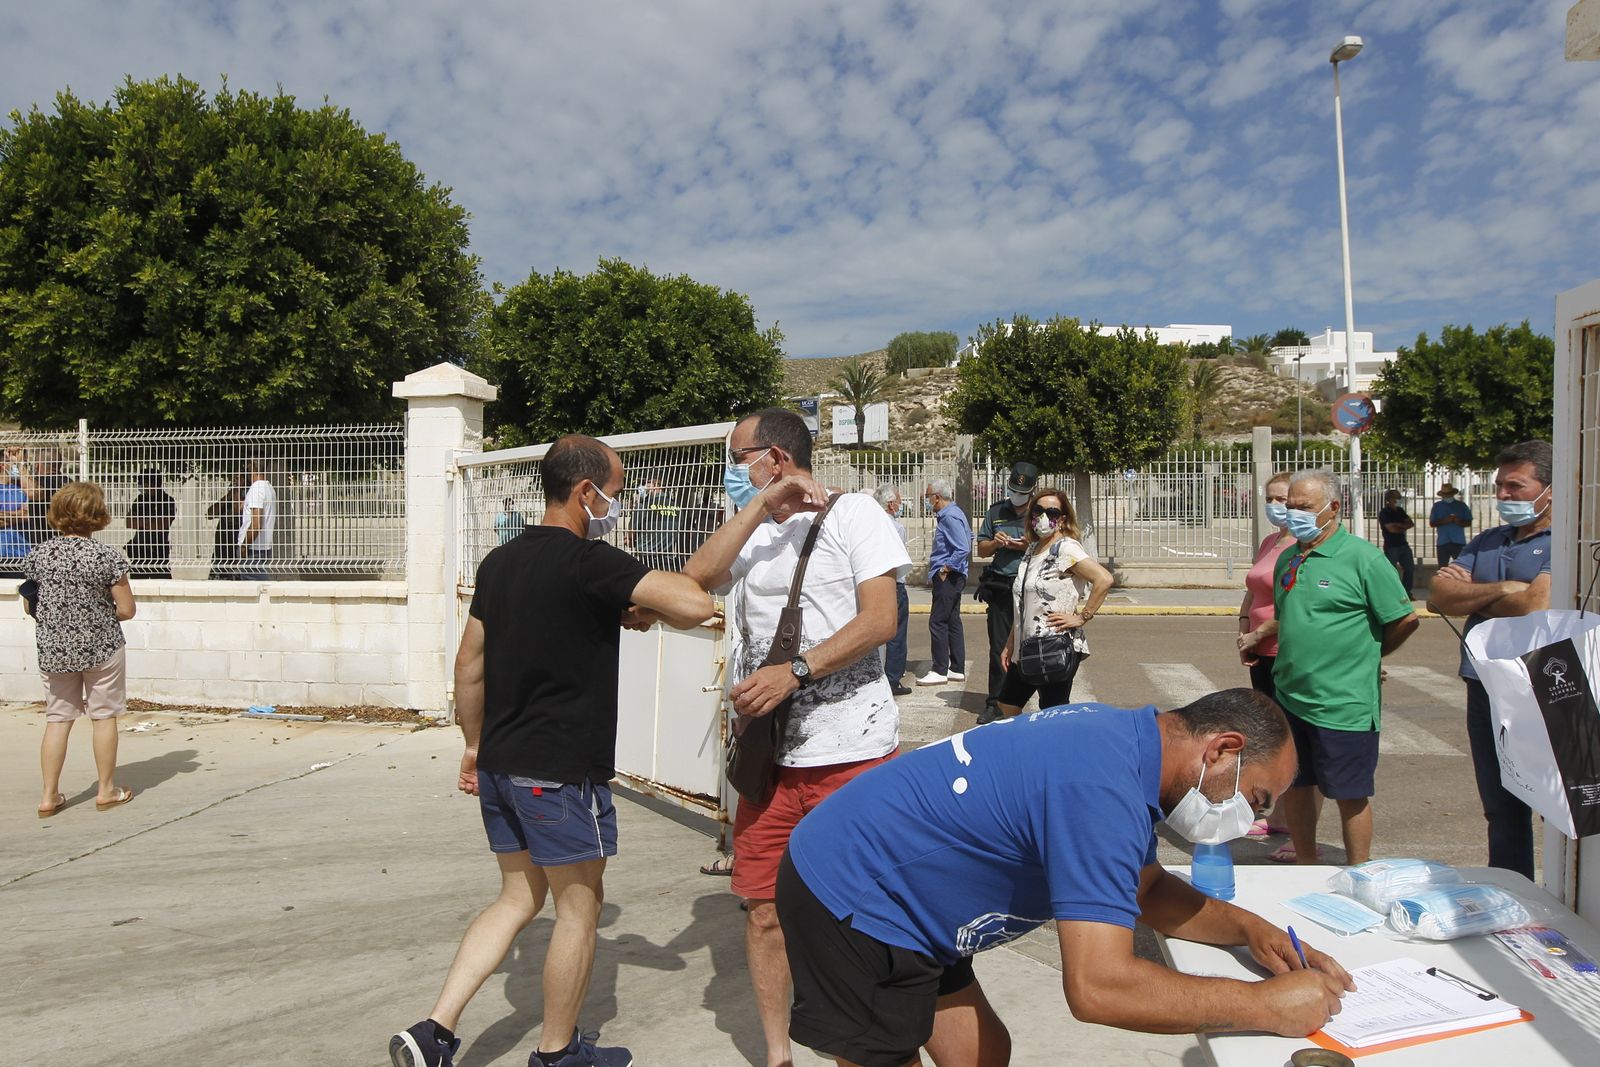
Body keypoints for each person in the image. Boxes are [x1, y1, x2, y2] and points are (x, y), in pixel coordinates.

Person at [777, 689, 1354, 1067]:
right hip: (854, 897)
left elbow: (1144, 888)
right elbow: (1100, 988)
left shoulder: (1126, 739)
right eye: (1254, 798)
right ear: (1223, 748)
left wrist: (1250, 930)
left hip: (914, 887)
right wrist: (1265, 1006)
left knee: (983, 1054)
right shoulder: (1099, 792)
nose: (1248, 819)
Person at [390, 435, 717, 1067]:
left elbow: (469, 664)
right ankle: (557, 1052)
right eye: (616, 495)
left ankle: (435, 1030)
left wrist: (472, 745)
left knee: (517, 898)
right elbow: (697, 604)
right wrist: (649, 593)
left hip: (501, 764)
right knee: (580, 906)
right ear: (585, 492)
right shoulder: (589, 561)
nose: (618, 508)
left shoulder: (498, 563)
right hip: (560, 772)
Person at [676, 407, 907, 1067]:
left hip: (851, 755)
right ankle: (778, 1053)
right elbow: (697, 576)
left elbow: (882, 618)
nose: (730, 469)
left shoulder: (857, 514)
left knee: (855, 916)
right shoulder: (755, 530)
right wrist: (760, 507)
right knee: (763, 910)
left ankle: (856, 1049)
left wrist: (795, 671)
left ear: (774, 456)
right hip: (769, 759)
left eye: (737, 455)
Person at [1240, 469, 1418, 867]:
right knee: (1298, 786)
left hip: (1344, 701)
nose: (1292, 514)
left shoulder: (1364, 558)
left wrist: (1366, 657)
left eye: (1303, 507)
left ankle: (1359, 872)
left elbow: (1403, 619)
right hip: (1290, 695)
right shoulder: (1288, 557)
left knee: (1349, 793)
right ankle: (1306, 866)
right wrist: (1254, 636)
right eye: (1290, 506)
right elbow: (1290, 616)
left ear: (1332, 508)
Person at [1426, 440, 1552, 880]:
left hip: (1543, 687)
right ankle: (1513, 888)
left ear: (1550, 490)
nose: (1502, 496)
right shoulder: (1488, 540)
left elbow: (1536, 603)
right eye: (1499, 486)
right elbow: (1439, 597)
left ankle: (1564, 899)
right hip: (1484, 685)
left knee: (1557, 804)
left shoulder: (1565, 542)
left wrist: (1475, 598)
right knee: (1501, 806)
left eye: (1515, 486)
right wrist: (1502, 590)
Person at [25, 481, 138, 817]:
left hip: (54, 649)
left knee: (58, 719)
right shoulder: (106, 557)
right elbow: (127, 610)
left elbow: (30, 604)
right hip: (102, 646)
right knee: (103, 717)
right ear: (97, 515)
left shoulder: (39, 555)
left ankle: (49, 796)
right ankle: (106, 790)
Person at [1235, 471, 1317, 856]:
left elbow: (1299, 607)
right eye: (1271, 498)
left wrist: (1260, 633)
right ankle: (1280, 816)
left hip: (1289, 650)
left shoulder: (1306, 547)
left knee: (1299, 741)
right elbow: (1252, 592)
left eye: (1285, 499)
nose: (1278, 506)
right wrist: (1243, 630)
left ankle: (1304, 836)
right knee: (1274, 736)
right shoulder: (1270, 541)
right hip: (1260, 651)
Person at [993, 486, 1112, 720]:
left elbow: (1104, 579)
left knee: (1053, 711)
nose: (1044, 517)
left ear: (1063, 518)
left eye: (1053, 512)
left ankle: (1057, 753)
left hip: (1053, 644)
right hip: (1026, 645)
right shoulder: (1032, 549)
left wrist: (1082, 617)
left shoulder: (1065, 548)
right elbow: (1023, 604)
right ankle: (1034, 748)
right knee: (1007, 703)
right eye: (1038, 510)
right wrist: (1011, 643)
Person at [973, 462, 1037, 721]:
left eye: (1022, 492)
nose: (1017, 496)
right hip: (1002, 586)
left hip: (1032, 587)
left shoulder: (1040, 513)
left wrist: (1026, 546)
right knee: (999, 647)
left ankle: (1036, 701)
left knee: (1034, 646)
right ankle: (996, 703)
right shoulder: (996, 511)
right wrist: (995, 543)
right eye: (1014, 490)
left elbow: (1052, 545)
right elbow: (982, 549)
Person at [917, 478, 970, 686]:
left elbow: (963, 548)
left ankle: (939, 669)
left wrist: (945, 568)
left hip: (948, 576)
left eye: (928, 496)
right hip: (955, 575)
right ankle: (956, 668)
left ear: (937, 497)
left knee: (938, 621)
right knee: (952, 620)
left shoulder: (949, 517)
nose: (928, 500)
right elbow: (969, 538)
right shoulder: (955, 514)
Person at [872, 484, 912, 696]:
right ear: (890, 503)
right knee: (897, 633)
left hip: (873, 582)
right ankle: (893, 678)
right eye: (899, 500)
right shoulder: (896, 527)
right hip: (895, 583)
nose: (901, 503)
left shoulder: (869, 523)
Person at [126, 468, 177, 578]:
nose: (141, 486)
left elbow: (162, 524)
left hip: (158, 550)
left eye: (143, 483)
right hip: (139, 550)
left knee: (162, 584)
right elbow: (129, 523)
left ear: (151, 483)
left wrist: (141, 522)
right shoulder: (140, 499)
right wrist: (150, 522)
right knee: (137, 585)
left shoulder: (167, 500)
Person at [236, 457, 277, 580]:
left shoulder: (256, 489)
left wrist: (244, 546)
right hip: (263, 547)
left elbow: (256, 524)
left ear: (250, 467)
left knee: (255, 588)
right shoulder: (268, 488)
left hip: (253, 549)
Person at [627, 479, 682, 570]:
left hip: (647, 560)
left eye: (647, 483)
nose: (645, 486)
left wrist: (630, 540)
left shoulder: (644, 506)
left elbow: (630, 534)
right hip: (668, 561)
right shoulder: (676, 506)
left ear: (655, 484)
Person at [206, 473, 246, 580]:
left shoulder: (247, 499)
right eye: (234, 478)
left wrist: (237, 491)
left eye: (238, 478)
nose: (235, 481)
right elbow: (209, 514)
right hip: (221, 553)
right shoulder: (228, 499)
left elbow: (238, 509)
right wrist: (228, 497)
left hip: (236, 554)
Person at [1377, 488, 1416, 597]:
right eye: (1395, 498)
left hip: (1403, 544)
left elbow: (1410, 524)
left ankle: (1407, 592)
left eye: (1398, 498)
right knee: (1392, 571)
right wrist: (1402, 526)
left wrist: (1398, 525)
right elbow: (1390, 528)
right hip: (1391, 546)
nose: (1397, 501)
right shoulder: (1384, 513)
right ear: (1389, 500)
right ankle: (1393, 593)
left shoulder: (1400, 511)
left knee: (1409, 569)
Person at [0, 451, 30, 576]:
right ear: (3, 465)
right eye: (12, 461)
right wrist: (18, 514)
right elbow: (23, 515)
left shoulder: (22, 491)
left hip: (21, 555)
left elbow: (27, 515)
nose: (15, 466)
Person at [1428, 484, 1473, 567]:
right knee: (1442, 568)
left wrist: (1458, 521)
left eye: (1449, 494)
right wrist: (1444, 521)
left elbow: (1469, 522)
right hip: (1443, 542)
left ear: (1452, 494)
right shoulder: (1437, 506)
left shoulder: (1461, 506)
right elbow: (1432, 523)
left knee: (1461, 567)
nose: (1447, 496)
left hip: (1458, 542)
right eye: (1445, 495)